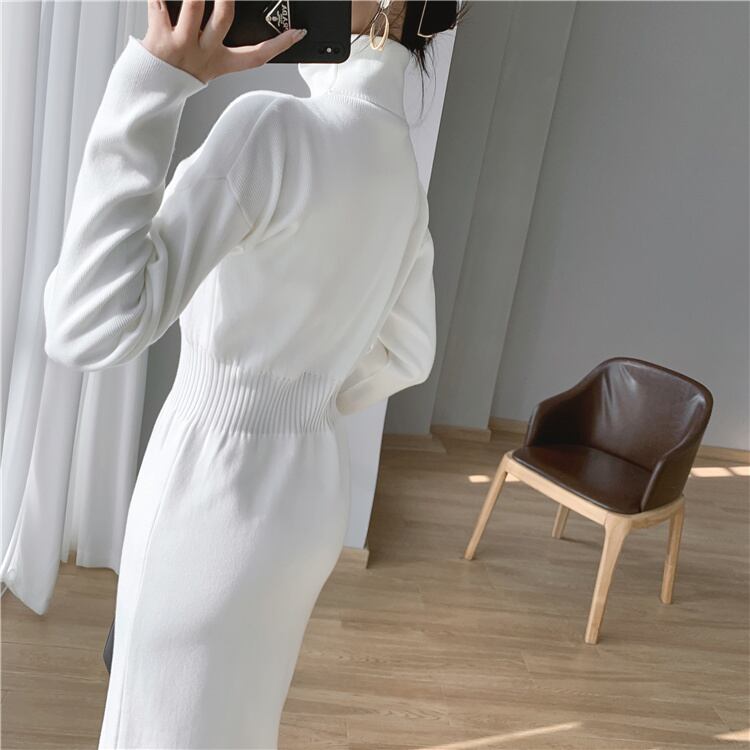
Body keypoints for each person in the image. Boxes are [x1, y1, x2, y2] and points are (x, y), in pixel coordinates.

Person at [43, 0, 460, 746]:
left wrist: (154, 79)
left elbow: (87, 322)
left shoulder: (272, 129)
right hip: (306, 503)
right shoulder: (399, 166)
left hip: (212, 497)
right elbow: (410, 351)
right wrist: (300, 394)